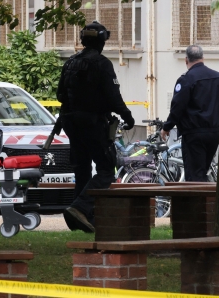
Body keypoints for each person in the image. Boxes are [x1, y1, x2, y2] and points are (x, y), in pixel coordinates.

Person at [57, 21, 135, 233]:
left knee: (82, 170)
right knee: (106, 170)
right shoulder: (102, 64)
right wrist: (128, 117)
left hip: (72, 124)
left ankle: (81, 217)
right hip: (93, 124)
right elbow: (113, 97)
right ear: (101, 41)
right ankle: (80, 208)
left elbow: (60, 95)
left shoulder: (70, 63)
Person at [160, 45, 219, 182]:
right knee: (203, 171)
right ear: (203, 58)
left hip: (194, 134)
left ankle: (197, 203)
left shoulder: (186, 79)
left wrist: (167, 127)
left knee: (194, 176)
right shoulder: (218, 78)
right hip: (214, 133)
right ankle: (204, 200)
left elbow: (177, 106)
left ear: (186, 60)